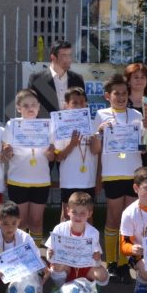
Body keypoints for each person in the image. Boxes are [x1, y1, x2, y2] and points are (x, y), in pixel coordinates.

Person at [94, 74, 147, 283]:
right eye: (116, 93)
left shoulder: (137, 115)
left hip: (133, 173)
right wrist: (99, 134)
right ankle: (110, 262)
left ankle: (124, 263)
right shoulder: (100, 115)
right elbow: (95, 150)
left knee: (131, 221)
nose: (120, 97)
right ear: (108, 96)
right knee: (113, 218)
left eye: (124, 93)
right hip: (112, 173)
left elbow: (145, 148)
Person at [3, 89, 55, 247]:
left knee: (36, 221)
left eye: (33, 104)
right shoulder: (12, 125)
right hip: (18, 180)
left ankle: (36, 254)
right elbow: (7, 155)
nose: (30, 108)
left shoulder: (48, 125)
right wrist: (7, 151)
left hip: (41, 181)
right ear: (18, 108)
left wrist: (50, 152)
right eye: (25, 105)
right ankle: (21, 253)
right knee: (21, 221)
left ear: (39, 106)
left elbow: (52, 158)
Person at [45, 192, 109, 293]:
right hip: (67, 268)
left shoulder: (93, 232)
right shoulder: (59, 229)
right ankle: (60, 287)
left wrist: (97, 258)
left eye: (82, 213)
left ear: (90, 213)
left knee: (102, 275)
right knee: (56, 266)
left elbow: (97, 260)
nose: (78, 217)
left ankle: (93, 287)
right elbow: (49, 254)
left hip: (85, 269)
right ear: (68, 211)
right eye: (74, 212)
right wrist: (50, 254)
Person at [54, 87, 101, 222]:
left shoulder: (93, 125)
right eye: (74, 103)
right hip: (69, 180)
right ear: (66, 105)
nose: (79, 106)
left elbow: (95, 151)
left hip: (88, 179)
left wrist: (96, 137)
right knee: (67, 214)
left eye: (82, 102)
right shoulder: (61, 126)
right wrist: (72, 144)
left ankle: (88, 242)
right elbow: (58, 157)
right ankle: (64, 242)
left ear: (86, 104)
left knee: (88, 215)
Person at [27, 40, 85, 118]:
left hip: (71, 127)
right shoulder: (36, 79)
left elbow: (83, 106)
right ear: (53, 57)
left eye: (70, 55)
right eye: (64, 56)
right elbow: (30, 107)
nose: (68, 59)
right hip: (47, 127)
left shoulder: (77, 79)